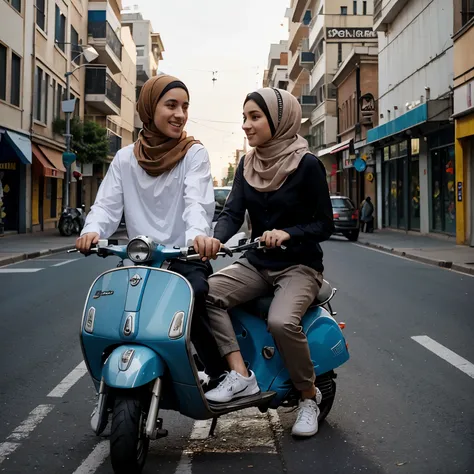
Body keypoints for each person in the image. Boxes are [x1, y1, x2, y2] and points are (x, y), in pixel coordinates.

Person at [193, 88, 334, 437]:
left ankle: (307, 397)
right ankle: (241, 375)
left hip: (300, 266)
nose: (246, 125)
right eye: (244, 117)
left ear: (278, 120)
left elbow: (325, 225)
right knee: (204, 293)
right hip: (257, 263)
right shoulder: (248, 164)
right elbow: (232, 213)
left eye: (255, 117)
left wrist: (288, 233)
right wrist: (216, 238)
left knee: (281, 321)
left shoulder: (308, 165)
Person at [76, 74, 225, 378]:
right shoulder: (124, 159)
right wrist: (92, 231)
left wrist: (198, 236)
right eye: (171, 105)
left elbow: (197, 202)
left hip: (185, 257)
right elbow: (106, 205)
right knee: (115, 309)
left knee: (194, 295)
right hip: (140, 261)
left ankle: (218, 371)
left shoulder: (193, 153)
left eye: (185, 106)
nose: (180, 114)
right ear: (149, 108)